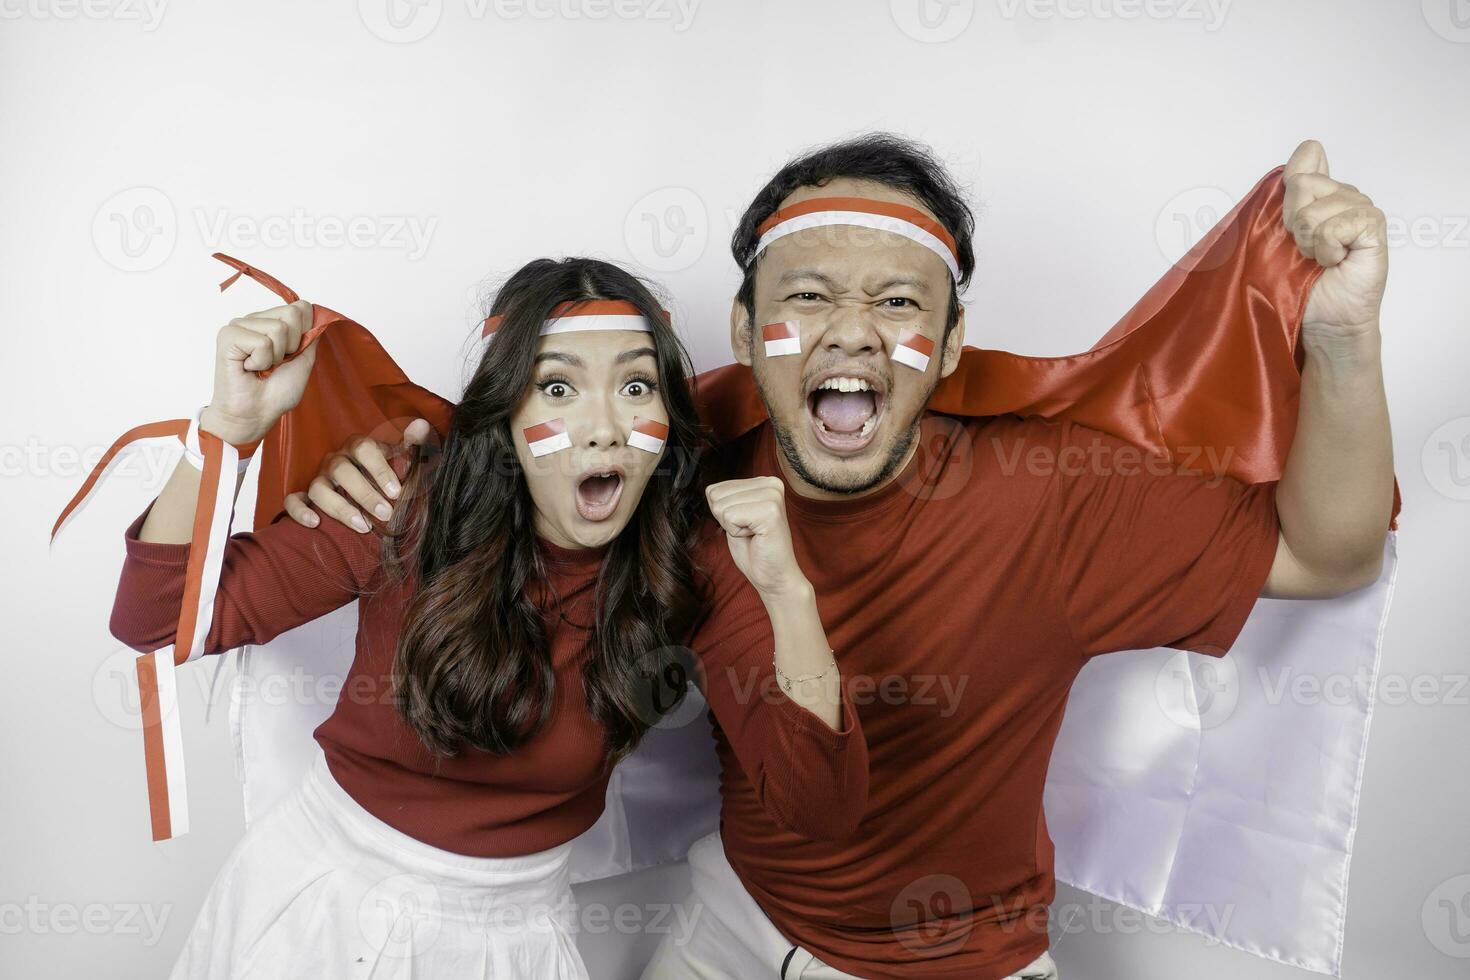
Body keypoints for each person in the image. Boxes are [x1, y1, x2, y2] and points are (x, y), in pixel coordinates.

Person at [298, 135, 1395, 980]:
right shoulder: (669, 481)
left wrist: (1342, 338)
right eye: (811, 296)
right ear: (743, 326)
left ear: (954, 345)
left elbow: (1324, 550)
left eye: (900, 301)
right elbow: (512, 475)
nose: (855, 332)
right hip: (726, 926)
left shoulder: (1056, 495)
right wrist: (365, 471)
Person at [107, 256, 868, 979]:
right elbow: (156, 620)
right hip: (322, 902)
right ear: (504, 418)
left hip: (518, 939)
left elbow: (823, 808)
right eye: (559, 389)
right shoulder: (404, 503)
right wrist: (225, 434)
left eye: (636, 388)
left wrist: (789, 595)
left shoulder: (690, 559)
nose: (604, 426)